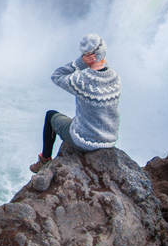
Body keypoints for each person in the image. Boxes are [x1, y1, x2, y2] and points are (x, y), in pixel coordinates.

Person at [30, 33, 121, 173]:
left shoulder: (81, 79)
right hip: (109, 139)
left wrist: (81, 63)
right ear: (103, 53)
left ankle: (44, 160)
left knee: (50, 115)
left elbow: (57, 75)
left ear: (87, 55)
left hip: (84, 140)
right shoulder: (115, 77)